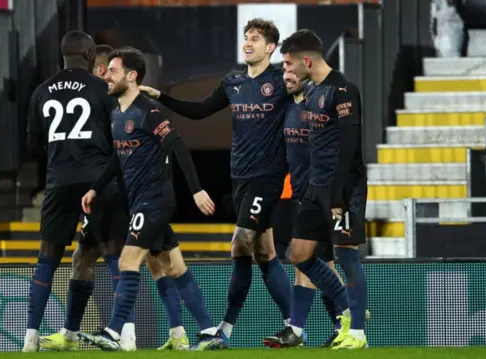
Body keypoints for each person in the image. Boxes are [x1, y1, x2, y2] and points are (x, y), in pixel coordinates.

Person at [139, 18, 292, 345]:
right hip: (240, 177)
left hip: (268, 177)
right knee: (264, 252)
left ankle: (223, 329)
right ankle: (295, 325)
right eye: (246, 37)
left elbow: (309, 96)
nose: (248, 42)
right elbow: (198, 111)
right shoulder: (232, 83)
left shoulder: (281, 80)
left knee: (239, 242)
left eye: (256, 38)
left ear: (271, 47)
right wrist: (161, 96)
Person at [77, 46, 227, 351]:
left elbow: (178, 147)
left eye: (114, 71)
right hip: (140, 200)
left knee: (128, 260)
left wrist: (197, 189)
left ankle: (114, 332)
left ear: (132, 76)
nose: (107, 75)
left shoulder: (149, 111)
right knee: (172, 267)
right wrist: (95, 187)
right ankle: (210, 332)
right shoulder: (118, 113)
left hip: (155, 199)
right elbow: (119, 158)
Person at [23, 31, 136, 352]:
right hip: (97, 183)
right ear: (90, 56)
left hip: (58, 183)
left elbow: (33, 146)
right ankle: (125, 333)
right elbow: (120, 139)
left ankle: (31, 338)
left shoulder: (41, 92)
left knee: (47, 259)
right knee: (115, 255)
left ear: (63, 56)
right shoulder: (103, 89)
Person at [275, 29, 369, 350]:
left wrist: (340, 195)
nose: (286, 69)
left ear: (306, 60)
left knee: (346, 257)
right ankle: (346, 308)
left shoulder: (344, 90)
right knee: (299, 254)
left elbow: (351, 145)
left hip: (342, 188)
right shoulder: (313, 92)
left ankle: (356, 332)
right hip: (316, 189)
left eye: (288, 63)